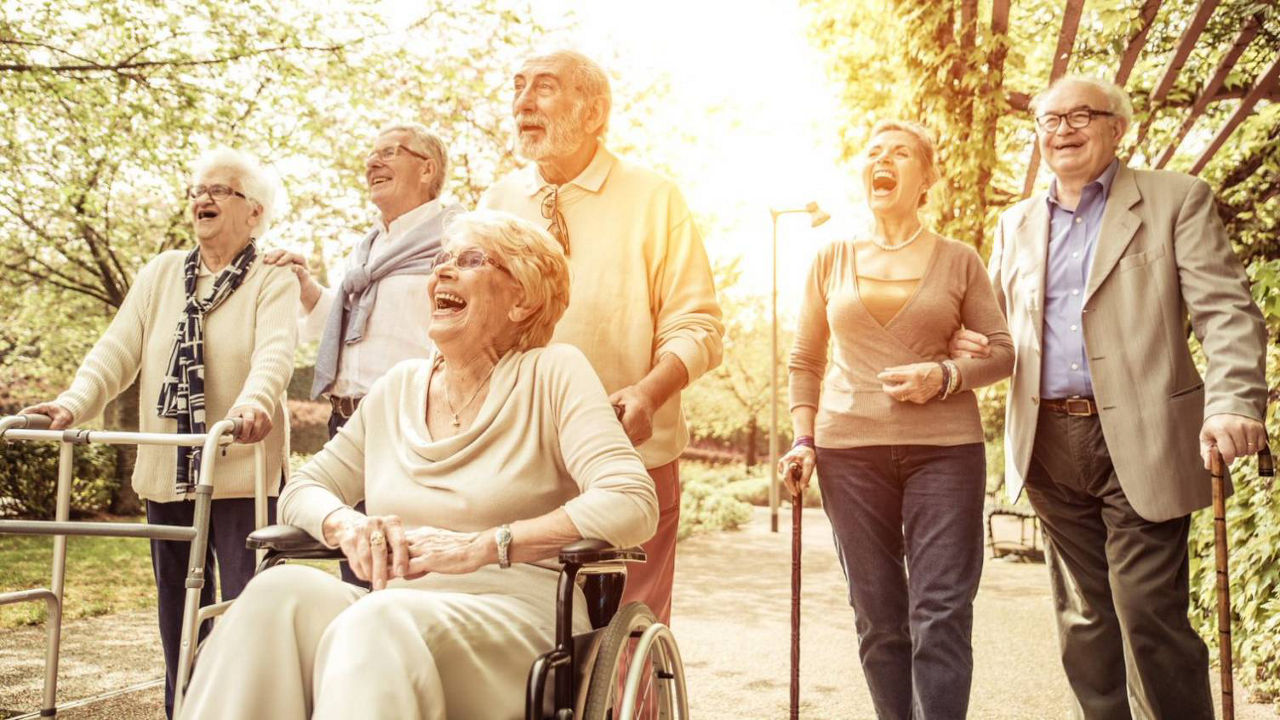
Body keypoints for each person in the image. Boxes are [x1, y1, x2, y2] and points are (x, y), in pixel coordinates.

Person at [179, 210, 658, 720]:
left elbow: (630, 499)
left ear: (523, 299)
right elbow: (305, 487)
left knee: (378, 621)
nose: (442, 273)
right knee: (277, 593)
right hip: (392, 613)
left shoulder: (552, 373)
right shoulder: (397, 387)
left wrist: (483, 547)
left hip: (513, 618)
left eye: (470, 260)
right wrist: (349, 526)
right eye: (441, 260)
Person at [951, 76, 1268, 719]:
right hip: (1046, 442)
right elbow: (999, 335)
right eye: (1048, 119)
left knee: (1147, 611)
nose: (1062, 129)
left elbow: (1228, 312)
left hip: (1147, 434)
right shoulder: (1014, 223)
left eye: (1081, 115)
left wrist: (1234, 399)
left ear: (1117, 128)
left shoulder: (1176, 198)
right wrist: (954, 357)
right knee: (1083, 620)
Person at [21, 148, 298, 718]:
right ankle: (183, 706)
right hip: (168, 464)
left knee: (246, 601)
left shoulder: (273, 277)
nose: (203, 198)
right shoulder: (162, 272)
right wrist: (73, 404)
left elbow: (274, 355)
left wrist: (252, 406)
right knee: (177, 601)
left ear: (256, 212)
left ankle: (245, 706)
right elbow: (117, 351)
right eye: (198, 189)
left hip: (239, 463)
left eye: (221, 189)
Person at [778, 120, 1014, 720]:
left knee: (940, 612)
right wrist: (803, 439)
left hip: (946, 450)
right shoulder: (830, 258)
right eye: (874, 153)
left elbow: (1002, 351)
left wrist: (946, 376)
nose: (883, 161)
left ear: (926, 177)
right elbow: (805, 360)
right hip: (848, 452)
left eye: (901, 153)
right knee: (879, 616)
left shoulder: (959, 261)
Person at [481, 50, 723, 625]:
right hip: (519, 453)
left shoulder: (653, 197)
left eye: (544, 87)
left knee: (626, 633)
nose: (523, 102)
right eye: (518, 88)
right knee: (518, 628)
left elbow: (700, 325)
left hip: (626, 452)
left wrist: (649, 393)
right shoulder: (498, 203)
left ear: (594, 113)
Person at [265, 122, 459, 588]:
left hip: (411, 423)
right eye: (371, 154)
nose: (373, 162)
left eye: (390, 152)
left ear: (427, 168)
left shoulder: (454, 236)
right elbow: (362, 325)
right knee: (356, 558)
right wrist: (308, 288)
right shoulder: (368, 247)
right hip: (348, 421)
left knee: (406, 565)